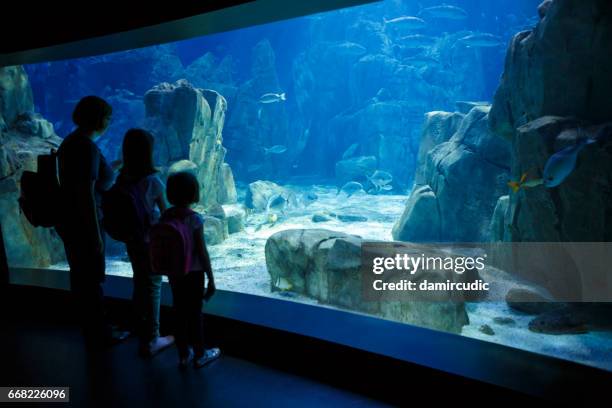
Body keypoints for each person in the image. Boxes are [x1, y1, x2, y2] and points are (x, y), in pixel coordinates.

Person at [56, 95, 128, 349]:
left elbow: (95, 181)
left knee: (82, 277)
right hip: (84, 221)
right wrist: (94, 232)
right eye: (108, 116)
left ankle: (93, 328)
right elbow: (85, 191)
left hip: (72, 220)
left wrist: (117, 165)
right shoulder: (85, 146)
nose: (109, 121)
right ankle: (99, 333)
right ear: (97, 118)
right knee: (91, 278)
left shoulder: (71, 142)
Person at [116, 128, 174, 356]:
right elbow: (166, 212)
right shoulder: (153, 181)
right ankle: (152, 338)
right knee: (153, 286)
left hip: (131, 240)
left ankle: (138, 325)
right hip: (151, 242)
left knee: (139, 280)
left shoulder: (121, 179)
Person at [161, 172, 220, 368]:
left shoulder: (166, 215)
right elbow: (202, 252)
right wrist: (211, 278)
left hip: (175, 273)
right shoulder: (195, 219)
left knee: (179, 311)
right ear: (195, 193)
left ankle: (183, 354)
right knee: (195, 313)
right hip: (194, 274)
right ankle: (201, 354)